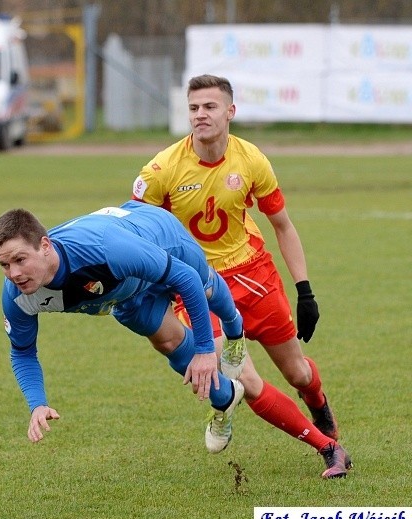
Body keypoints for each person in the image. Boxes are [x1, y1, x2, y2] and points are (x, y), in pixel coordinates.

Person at [0, 201, 351, 479]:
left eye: (19, 259)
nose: (14, 273)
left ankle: (235, 329)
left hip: (161, 239)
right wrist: (37, 402)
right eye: (4, 265)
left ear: (45, 246)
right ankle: (225, 401)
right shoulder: (18, 296)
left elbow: (186, 281)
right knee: (172, 348)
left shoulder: (109, 249)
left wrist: (209, 350)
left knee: (206, 289)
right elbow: (22, 351)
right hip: (126, 294)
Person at [131, 74, 347, 462]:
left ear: (230, 112)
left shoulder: (251, 159)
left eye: (210, 107)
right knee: (244, 380)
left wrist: (305, 290)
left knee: (298, 373)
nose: (201, 115)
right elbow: (134, 234)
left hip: (253, 275)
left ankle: (319, 405)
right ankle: (324, 447)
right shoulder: (161, 170)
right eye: (194, 108)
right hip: (196, 284)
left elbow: (282, 225)